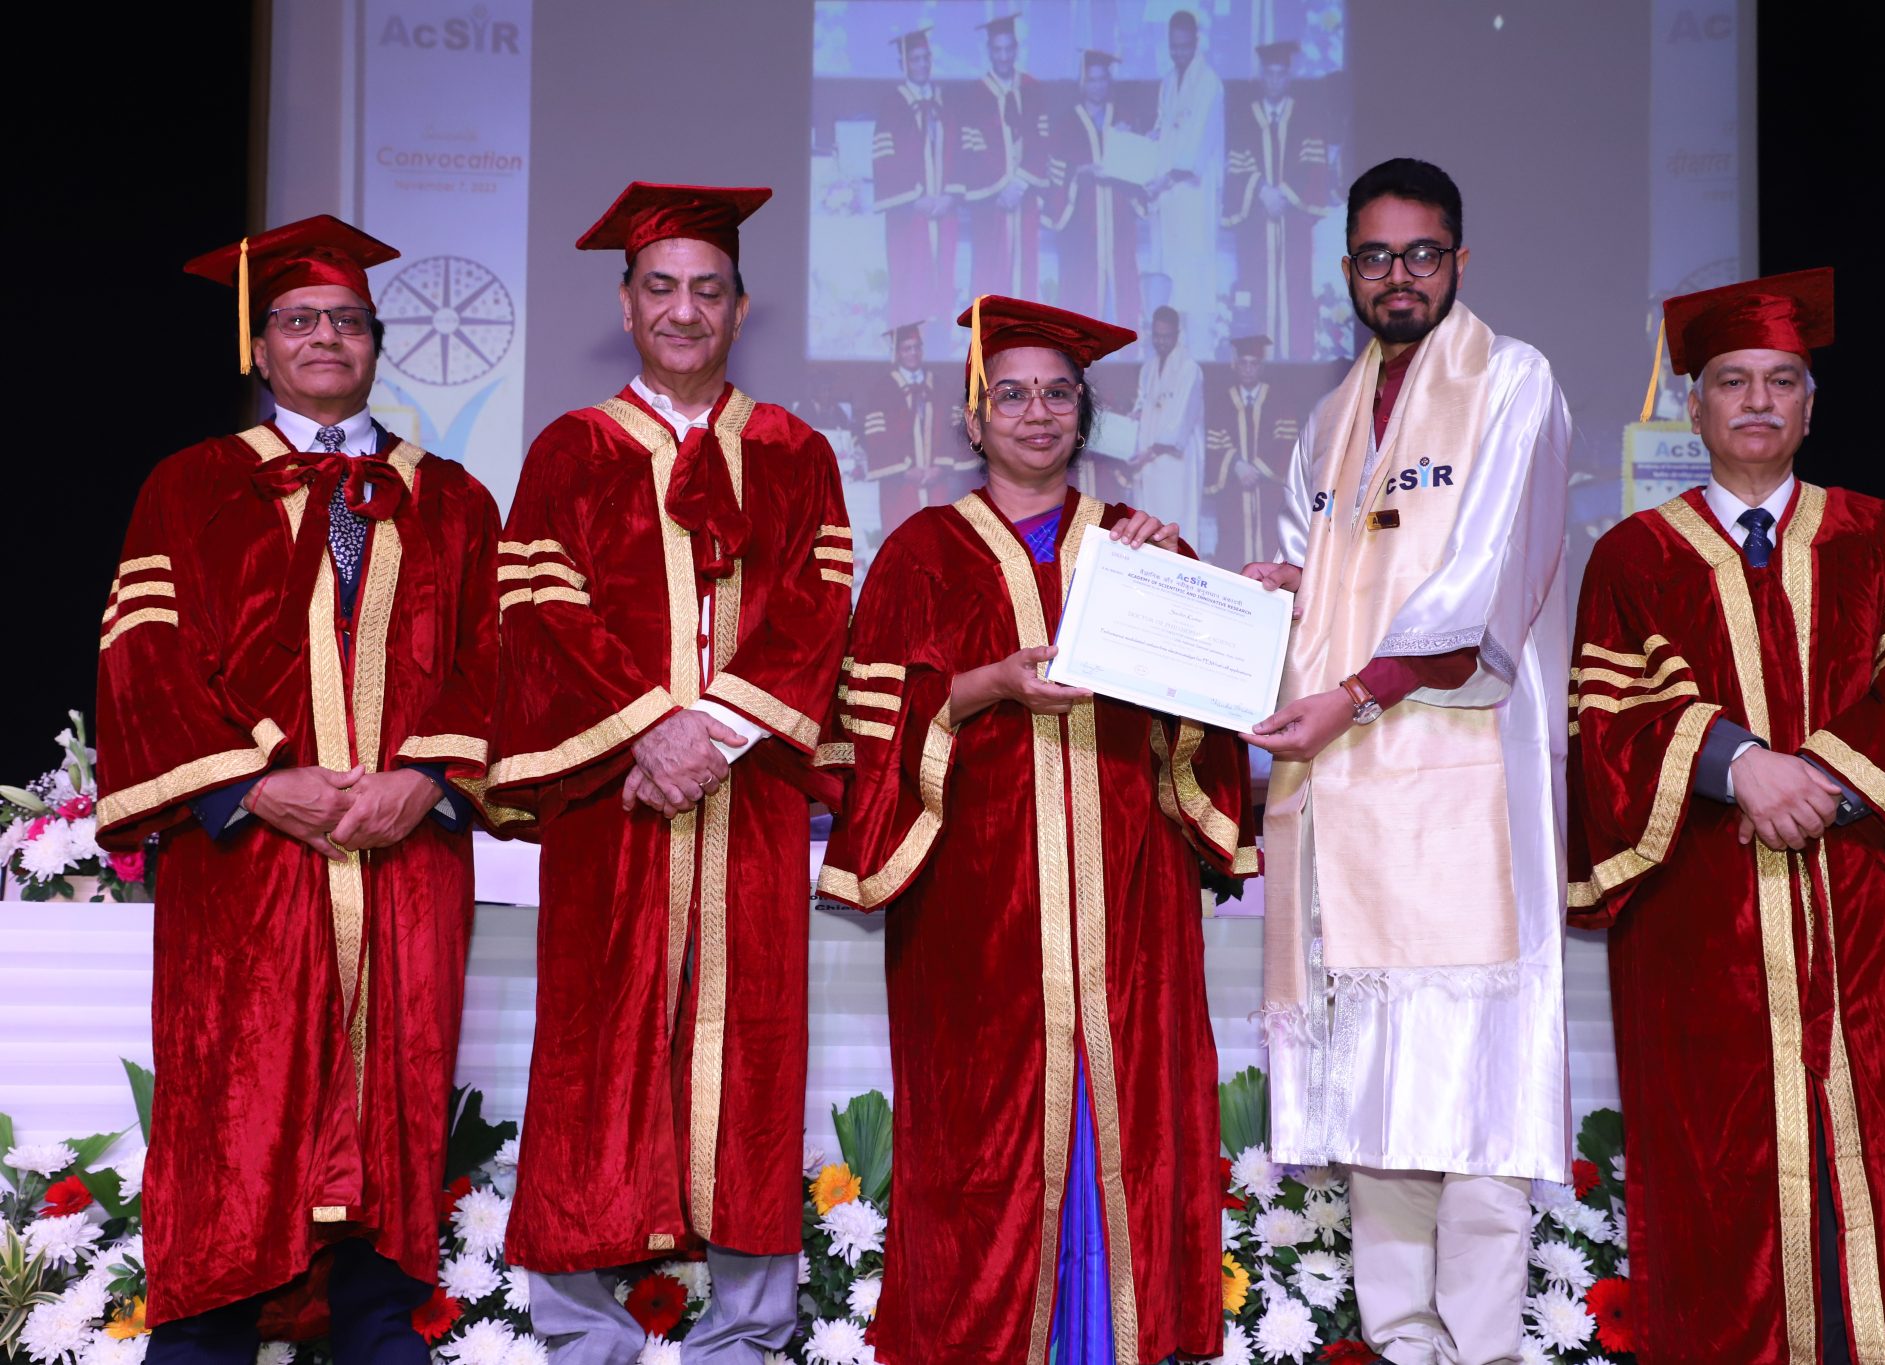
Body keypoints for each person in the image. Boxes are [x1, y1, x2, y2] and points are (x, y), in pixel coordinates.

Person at [819, 295, 1258, 1365]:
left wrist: (1186, 594)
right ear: (974, 419)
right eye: (1009, 394)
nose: (1036, 413)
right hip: (976, 912)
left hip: (1129, 900)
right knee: (984, 1143)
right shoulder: (921, 552)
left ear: (1084, 412)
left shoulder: (1139, 544)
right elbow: (865, 721)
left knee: (1129, 1127)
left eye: (1058, 393)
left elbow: (1208, 724)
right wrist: (984, 686)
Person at [95, 216, 502, 1363]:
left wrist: (425, 779)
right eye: (299, 320)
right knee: (236, 1111)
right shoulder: (190, 487)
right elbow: (145, 658)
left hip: (405, 859)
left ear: (377, 341)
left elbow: (496, 657)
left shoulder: (453, 498)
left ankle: (381, 1327)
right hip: (245, 868)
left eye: (347, 320)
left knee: (392, 1108)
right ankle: (205, 1339)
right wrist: (250, 787)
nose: (325, 337)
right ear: (259, 344)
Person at [1567, 268, 1885, 1364]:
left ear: (1810, 405)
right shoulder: (1632, 557)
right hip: (1699, 917)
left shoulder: (1883, 537)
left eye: (1780, 381)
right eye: (1731, 381)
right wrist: (1736, 765)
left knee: (1873, 1149)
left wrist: (1816, 781)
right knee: (1716, 1167)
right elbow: (1610, 724)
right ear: (1693, 405)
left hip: (1857, 905)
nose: (1756, 401)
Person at [487, 183, 852, 1365]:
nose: (683, 310)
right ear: (625, 306)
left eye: (707, 290)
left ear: (739, 309)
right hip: (613, 792)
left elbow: (818, 607)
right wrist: (651, 732)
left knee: (753, 1046)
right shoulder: (571, 448)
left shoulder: (793, 452)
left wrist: (718, 732)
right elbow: (541, 606)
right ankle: (579, 1330)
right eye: (660, 289)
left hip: (749, 795)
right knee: (590, 1038)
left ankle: (746, 1333)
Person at [1243, 158, 1573, 1365]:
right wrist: (1274, 594)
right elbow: (1331, 578)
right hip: (1345, 799)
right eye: (1376, 257)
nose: (1399, 277)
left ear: (1458, 261)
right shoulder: (1329, 419)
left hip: (1461, 780)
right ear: (1346, 271)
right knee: (1374, 1091)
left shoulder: (1510, 382)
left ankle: (1480, 1351)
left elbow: (1481, 581)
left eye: (1421, 255)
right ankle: (1399, 1342)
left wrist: (1352, 693)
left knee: (1475, 1091)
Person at [1221, 41, 1333, 361]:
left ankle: (1296, 360)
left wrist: (1282, 192)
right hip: (1256, 221)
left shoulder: (1305, 117)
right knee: (1255, 287)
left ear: (1289, 76)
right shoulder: (1245, 117)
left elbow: (1313, 165)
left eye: (1280, 74)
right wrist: (1262, 191)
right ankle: (1258, 362)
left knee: (1296, 286)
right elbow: (1237, 166)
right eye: (1269, 74)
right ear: (1261, 77)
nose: (1274, 81)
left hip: (1292, 219)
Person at [1043, 48, 1144, 329]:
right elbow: (1055, 170)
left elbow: (1138, 171)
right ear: (1082, 83)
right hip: (1081, 225)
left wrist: (1135, 149)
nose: (1097, 86)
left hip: (1118, 222)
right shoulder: (1067, 123)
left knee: (1122, 288)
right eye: (1091, 80)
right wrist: (1081, 172)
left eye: (1102, 79)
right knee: (1082, 289)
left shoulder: (1123, 118)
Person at [952, 13, 1049, 301]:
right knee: (988, 267)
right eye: (998, 50)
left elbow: (1042, 140)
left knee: (1026, 266)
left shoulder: (1033, 89)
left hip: (1025, 196)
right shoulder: (974, 95)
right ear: (989, 51)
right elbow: (971, 149)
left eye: (1009, 49)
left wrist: (1019, 184)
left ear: (1016, 49)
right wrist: (1002, 186)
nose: (1004, 56)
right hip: (991, 202)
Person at [1145, 10, 1223, 358]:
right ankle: (1172, 357)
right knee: (1171, 282)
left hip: (1192, 196)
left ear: (1195, 41)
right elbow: (1163, 129)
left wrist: (1165, 178)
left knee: (1195, 281)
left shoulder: (1209, 84)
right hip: (1168, 199)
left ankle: (1201, 356)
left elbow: (1197, 150)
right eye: (1173, 47)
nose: (1178, 53)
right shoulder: (1167, 82)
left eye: (1184, 46)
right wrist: (1143, 145)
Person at [872, 29, 958, 339]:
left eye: (925, 58)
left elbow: (959, 152)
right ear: (903, 63)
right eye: (915, 59)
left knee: (942, 274)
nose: (921, 64)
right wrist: (915, 199)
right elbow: (885, 161)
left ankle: (941, 341)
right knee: (908, 275)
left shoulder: (943, 102)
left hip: (943, 211)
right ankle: (908, 345)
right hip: (907, 214)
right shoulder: (892, 105)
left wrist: (950, 195)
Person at [860, 321, 969, 534]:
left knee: (937, 537)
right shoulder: (883, 390)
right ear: (897, 353)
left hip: (937, 482)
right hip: (899, 484)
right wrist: (907, 470)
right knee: (902, 536)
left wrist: (940, 467)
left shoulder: (939, 386)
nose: (913, 353)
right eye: (907, 348)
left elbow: (953, 430)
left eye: (917, 347)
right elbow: (878, 438)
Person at [1202, 334, 1298, 567]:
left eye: (1253, 363)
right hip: (1233, 487)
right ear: (1235, 365)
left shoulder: (1279, 399)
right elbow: (1215, 444)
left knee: (1270, 539)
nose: (1247, 369)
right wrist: (1237, 465)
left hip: (1267, 488)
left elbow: (1285, 442)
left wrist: (1255, 469)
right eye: (1243, 363)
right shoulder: (1222, 402)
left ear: (1261, 367)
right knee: (1231, 540)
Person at [1130, 305, 1205, 541]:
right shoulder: (1148, 368)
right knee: (1149, 522)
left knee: (1174, 521)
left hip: (1175, 461)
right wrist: (1133, 419)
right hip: (1147, 459)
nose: (1161, 341)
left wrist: (1152, 451)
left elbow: (1181, 421)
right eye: (1157, 336)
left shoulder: (1189, 369)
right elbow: (1142, 403)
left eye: (1166, 336)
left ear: (1177, 334)